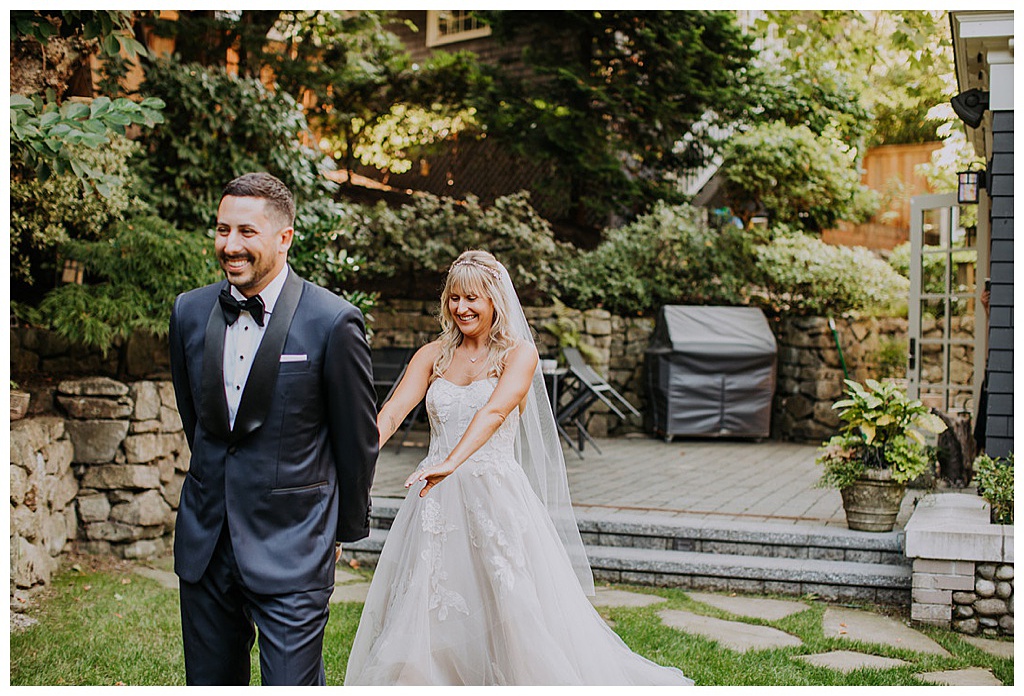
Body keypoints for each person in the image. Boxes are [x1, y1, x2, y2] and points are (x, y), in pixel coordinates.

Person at [344, 250, 692, 686]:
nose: (461, 308)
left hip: (494, 493)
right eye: (454, 298)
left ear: (494, 300)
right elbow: (393, 411)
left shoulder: (517, 354)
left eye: (472, 298)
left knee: (509, 603)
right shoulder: (432, 354)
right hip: (434, 499)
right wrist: (359, 453)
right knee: (427, 598)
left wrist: (452, 461)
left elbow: (493, 413)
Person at [168, 172, 378, 685]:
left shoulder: (332, 321)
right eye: (222, 230)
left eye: (246, 232)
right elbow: (196, 419)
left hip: (295, 541)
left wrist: (341, 529)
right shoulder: (189, 312)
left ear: (284, 238)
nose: (230, 246)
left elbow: (357, 441)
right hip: (206, 540)